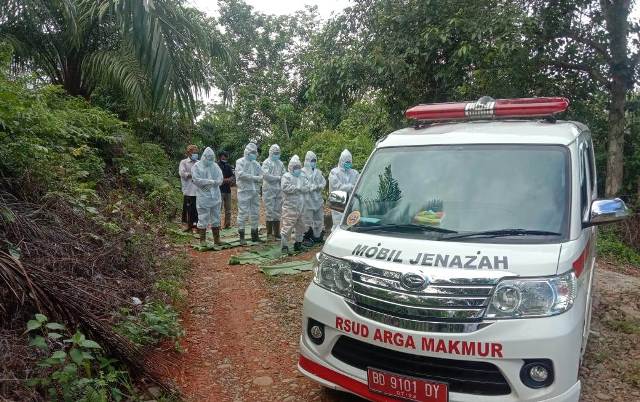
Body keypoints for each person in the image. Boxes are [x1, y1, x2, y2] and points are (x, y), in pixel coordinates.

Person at [192, 147, 224, 245]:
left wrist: (213, 182)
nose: (210, 160)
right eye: (208, 158)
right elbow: (196, 180)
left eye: (211, 158)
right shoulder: (197, 166)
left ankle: (216, 240)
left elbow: (220, 179)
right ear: (204, 157)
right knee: (203, 217)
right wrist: (211, 182)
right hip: (203, 196)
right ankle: (202, 240)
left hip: (215, 196)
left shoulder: (215, 166)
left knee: (216, 216)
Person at [280, 155, 309, 254]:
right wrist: (297, 188)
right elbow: (285, 188)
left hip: (301, 206)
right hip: (290, 206)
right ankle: (284, 245)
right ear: (291, 167)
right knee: (288, 226)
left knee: (301, 226)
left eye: (298, 167)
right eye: (295, 167)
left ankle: (298, 244)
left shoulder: (302, 176)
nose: (297, 169)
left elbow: (307, 187)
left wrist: (301, 188)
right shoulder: (286, 176)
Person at [235, 142, 263, 244]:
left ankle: (254, 235)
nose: (254, 154)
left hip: (255, 191)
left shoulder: (256, 164)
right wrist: (254, 178)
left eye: (255, 152)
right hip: (244, 191)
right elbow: (241, 174)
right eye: (252, 152)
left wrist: (257, 179)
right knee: (243, 213)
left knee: (255, 213)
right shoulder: (240, 162)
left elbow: (261, 176)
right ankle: (241, 236)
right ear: (247, 152)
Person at [329, 149, 359, 230]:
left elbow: (358, 185)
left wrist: (347, 187)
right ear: (341, 161)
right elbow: (337, 186)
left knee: (351, 222)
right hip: (338, 199)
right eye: (346, 162)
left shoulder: (354, 173)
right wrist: (350, 187)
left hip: (351, 200)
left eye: (349, 162)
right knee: (338, 223)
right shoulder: (334, 172)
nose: (348, 164)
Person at [261, 144, 285, 241]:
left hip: (278, 190)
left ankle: (277, 233)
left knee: (277, 211)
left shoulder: (280, 163)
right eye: (275, 153)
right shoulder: (266, 162)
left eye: (278, 153)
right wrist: (278, 178)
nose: (276, 155)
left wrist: (279, 178)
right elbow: (266, 176)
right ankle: (269, 234)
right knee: (269, 211)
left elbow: (284, 174)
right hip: (268, 190)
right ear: (271, 152)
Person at [302, 150, 326, 245]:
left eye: (315, 160)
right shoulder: (302, 172)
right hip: (307, 200)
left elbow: (323, 182)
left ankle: (317, 236)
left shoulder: (318, 172)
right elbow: (305, 185)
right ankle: (305, 238)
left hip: (317, 200)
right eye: (312, 160)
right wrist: (314, 186)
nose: (313, 162)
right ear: (307, 160)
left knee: (319, 219)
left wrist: (317, 186)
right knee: (307, 219)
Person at [179, 145, 199, 232]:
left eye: (196, 152)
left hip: (198, 190)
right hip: (188, 189)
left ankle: (197, 225)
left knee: (197, 208)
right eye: (193, 152)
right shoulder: (184, 162)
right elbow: (182, 173)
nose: (195, 154)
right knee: (188, 208)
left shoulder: (199, 162)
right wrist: (193, 175)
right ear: (189, 153)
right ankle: (188, 225)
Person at [217, 150, 235, 229]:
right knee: (218, 209)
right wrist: (225, 180)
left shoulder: (228, 166)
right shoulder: (216, 166)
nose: (225, 157)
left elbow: (232, 177)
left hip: (228, 190)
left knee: (228, 209)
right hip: (219, 190)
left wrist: (225, 180)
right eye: (224, 156)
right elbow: (217, 179)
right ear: (220, 156)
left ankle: (227, 224)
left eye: (226, 156)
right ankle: (217, 225)